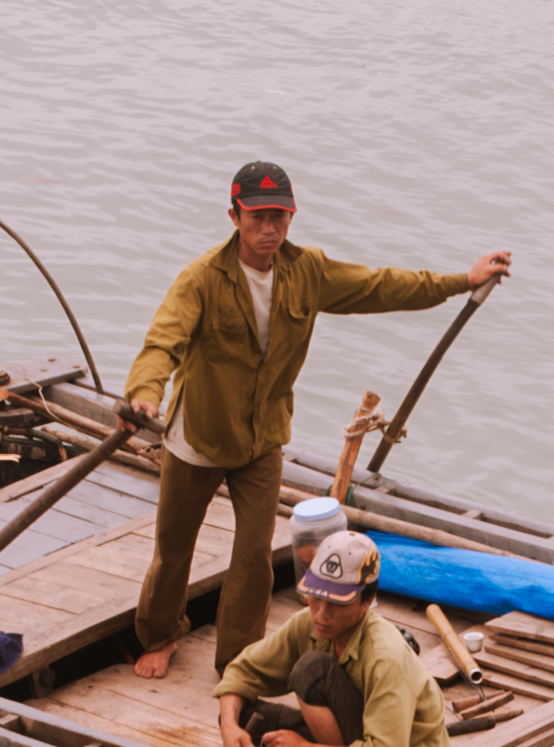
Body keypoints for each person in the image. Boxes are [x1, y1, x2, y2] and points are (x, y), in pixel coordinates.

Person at [119, 161, 511, 678]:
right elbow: (161, 342)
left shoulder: (307, 270)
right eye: (258, 217)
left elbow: (379, 286)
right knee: (173, 551)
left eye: (280, 216)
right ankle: (162, 635)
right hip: (199, 436)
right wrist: (145, 393)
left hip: (261, 438)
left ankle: (238, 663)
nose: (270, 229)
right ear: (235, 215)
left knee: (255, 557)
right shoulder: (201, 279)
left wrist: (461, 280)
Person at [216, 531, 451, 747]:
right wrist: (229, 726)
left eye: (338, 604)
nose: (321, 614)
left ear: (368, 601)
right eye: (316, 598)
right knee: (244, 718)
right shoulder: (310, 623)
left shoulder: (385, 655)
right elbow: (242, 672)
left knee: (310, 669)